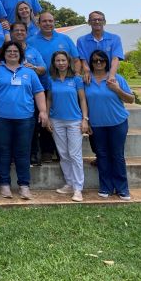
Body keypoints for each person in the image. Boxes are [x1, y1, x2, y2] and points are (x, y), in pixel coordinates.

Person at [0, 41, 48, 200]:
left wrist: (43, 111)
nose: (12, 53)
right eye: (9, 51)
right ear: (3, 54)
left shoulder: (29, 72)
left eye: (15, 51)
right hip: (0, 118)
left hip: (25, 118)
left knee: (23, 152)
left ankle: (24, 185)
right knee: (2, 150)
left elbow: (39, 92)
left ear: (20, 54)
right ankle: (4, 184)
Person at [27, 12, 80, 164]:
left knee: (61, 116)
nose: (48, 24)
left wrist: (75, 76)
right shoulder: (32, 41)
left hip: (63, 86)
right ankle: (47, 151)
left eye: (50, 21)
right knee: (44, 118)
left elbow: (76, 60)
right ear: (38, 23)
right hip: (40, 86)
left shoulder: (65, 39)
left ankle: (62, 152)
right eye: (44, 21)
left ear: (54, 22)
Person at [84, 50, 134, 200]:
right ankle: (105, 186)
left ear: (107, 62)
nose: (98, 63)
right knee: (102, 155)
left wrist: (117, 89)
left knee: (117, 155)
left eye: (102, 60)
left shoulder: (116, 78)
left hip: (117, 123)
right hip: (97, 125)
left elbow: (131, 99)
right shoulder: (86, 80)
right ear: (91, 63)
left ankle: (122, 188)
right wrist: (86, 120)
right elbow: (83, 103)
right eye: (94, 61)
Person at [46, 51, 89, 202]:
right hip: (56, 120)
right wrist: (47, 117)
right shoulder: (52, 79)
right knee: (63, 154)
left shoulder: (76, 79)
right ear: (54, 63)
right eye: (58, 60)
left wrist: (85, 119)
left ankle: (78, 188)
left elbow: (83, 100)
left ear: (68, 61)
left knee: (75, 154)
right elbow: (49, 99)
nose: (61, 63)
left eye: (63, 60)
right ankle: (69, 183)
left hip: (74, 121)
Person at [77, 11, 124, 85]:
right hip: (90, 78)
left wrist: (111, 75)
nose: (97, 21)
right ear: (89, 22)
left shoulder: (115, 39)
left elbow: (115, 59)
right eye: (94, 20)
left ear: (104, 22)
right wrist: (87, 72)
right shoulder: (81, 40)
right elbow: (83, 60)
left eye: (100, 19)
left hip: (109, 77)